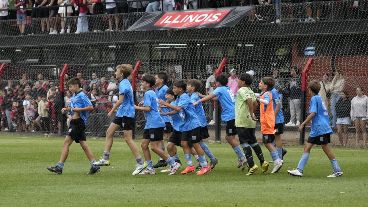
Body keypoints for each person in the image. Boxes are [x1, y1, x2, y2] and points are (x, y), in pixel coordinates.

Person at [94, 64, 145, 175]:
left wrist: (112, 110)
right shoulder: (123, 83)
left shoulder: (124, 84)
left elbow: (120, 100)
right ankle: (105, 158)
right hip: (122, 113)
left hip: (127, 114)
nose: (115, 73)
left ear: (121, 73)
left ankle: (141, 163)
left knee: (128, 139)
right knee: (109, 132)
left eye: (116, 71)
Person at [288, 80, 343, 178]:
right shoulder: (319, 98)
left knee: (325, 148)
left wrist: (303, 124)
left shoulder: (314, 99)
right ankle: (299, 170)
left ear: (309, 90)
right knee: (307, 147)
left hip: (319, 128)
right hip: (321, 127)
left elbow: (313, 113)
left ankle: (337, 170)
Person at [47, 77, 100, 175]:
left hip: (78, 122)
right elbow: (74, 108)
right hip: (75, 122)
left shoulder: (82, 95)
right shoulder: (75, 95)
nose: (69, 89)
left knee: (66, 143)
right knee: (83, 145)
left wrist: (78, 110)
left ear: (76, 85)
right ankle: (94, 164)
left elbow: (91, 107)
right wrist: (66, 109)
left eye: (70, 86)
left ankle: (59, 166)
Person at [195, 75, 247, 170]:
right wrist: (201, 96)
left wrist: (198, 101)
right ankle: (241, 157)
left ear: (218, 83)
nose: (214, 83)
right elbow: (215, 98)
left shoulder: (220, 89)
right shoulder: (227, 89)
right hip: (235, 114)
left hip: (231, 115)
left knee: (229, 137)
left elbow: (211, 96)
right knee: (231, 137)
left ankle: (243, 157)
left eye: (215, 82)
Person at [160, 80, 211, 176]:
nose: (173, 90)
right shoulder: (179, 97)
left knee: (196, 144)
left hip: (193, 124)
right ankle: (190, 165)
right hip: (186, 125)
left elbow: (178, 109)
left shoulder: (184, 97)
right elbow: (177, 111)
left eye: (175, 88)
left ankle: (205, 166)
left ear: (180, 89)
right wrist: (166, 113)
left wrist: (165, 104)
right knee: (184, 143)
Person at [135, 75, 181, 175]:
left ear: (147, 84)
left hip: (155, 122)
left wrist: (135, 107)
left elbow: (148, 109)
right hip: (150, 123)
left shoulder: (149, 93)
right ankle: (150, 168)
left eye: (142, 82)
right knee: (144, 145)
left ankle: (173, 163)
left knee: (154, 147)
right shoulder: (151, 92)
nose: (141, 84)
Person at [236, 73, 268, 175]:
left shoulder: (241, 90)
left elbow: (249, 100)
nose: (238, 81)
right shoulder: (250, 91)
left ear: (243, 82)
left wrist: (250, 113)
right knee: (253, 141)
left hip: (242, 121)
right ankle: (263, 162)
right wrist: (252, 114)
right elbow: (256, 103)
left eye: (239, 80)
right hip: (250, 121)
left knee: (244, 142)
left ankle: (251, 165)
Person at [187, 79, 218, 169]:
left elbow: (191, 104)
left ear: (192, 88)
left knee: (196, 142)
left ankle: (208, 160)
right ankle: (206, 160)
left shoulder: (194, 96)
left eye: (188, 85)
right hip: (198, 122)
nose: (187, 86)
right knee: (195, 142)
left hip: (198, 123)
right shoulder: (193, 95)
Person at [257, 77, 283, 173]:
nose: (259, 83)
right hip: (268, 121)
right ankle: (278, 158)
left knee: (270, 140)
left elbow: (277, 104)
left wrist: (273, 116)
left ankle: (278, 159)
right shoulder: (266, 93)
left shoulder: (270, 93)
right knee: (268, 141)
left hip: (272, 120)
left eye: (261, 82)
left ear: (266, 85)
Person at [153, 72, 172, 169]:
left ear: (161, 80)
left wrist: (163, 105)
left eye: (156, 78)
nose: (155, 79)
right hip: (159, 117)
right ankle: (162, 159)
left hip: (166, 117)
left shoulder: (165, 89)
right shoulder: (156, 89)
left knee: (169, 139)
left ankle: (174, 159)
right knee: (160, 139)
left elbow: (170, 99)